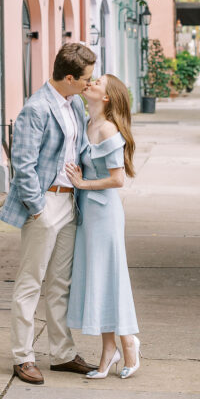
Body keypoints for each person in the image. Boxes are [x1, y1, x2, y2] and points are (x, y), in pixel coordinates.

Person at [0, 42, 98, 384]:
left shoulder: (75, 106)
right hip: (44, 205)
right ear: (69, 77)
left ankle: (62, 353)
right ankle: (23, 356)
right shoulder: (36, 108)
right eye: (86, 78)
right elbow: (22, 165)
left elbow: (81, 149)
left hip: (69, 204)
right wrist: (38, 208)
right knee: (31, 283)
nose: (90, 83)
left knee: (60, 284)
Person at [65, 73, 140, 380]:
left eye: (97, 83)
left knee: (110, 277)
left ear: (106, 98)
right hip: (88, 213)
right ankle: (110, 349)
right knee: (98, 279)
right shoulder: (87, 123)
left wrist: (84, 182)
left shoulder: (107, 128)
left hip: (104, 214)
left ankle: (128, 343)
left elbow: (118, 179)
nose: (90, 83)